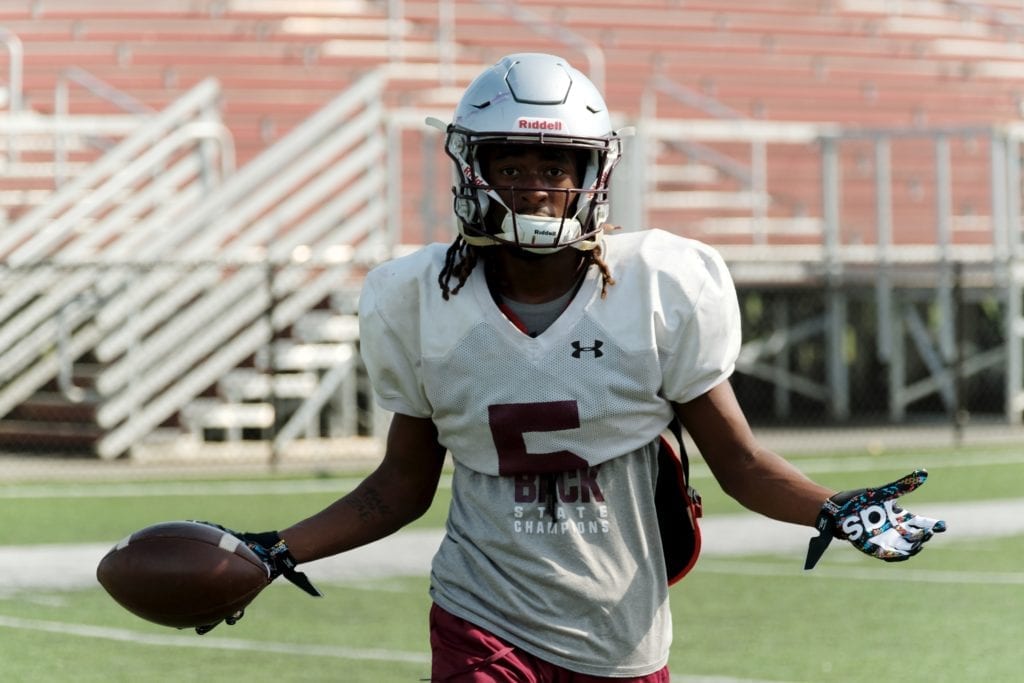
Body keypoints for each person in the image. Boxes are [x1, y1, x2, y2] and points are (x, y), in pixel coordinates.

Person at [204, 53, 946, 680]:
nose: (532, 183)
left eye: (553, 163)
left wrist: (834, 506)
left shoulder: (659, 286)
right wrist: (276, 550)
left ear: (589, 172)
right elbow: (399, 487)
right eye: (511, 162)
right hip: (480, 612)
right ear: (474, 169)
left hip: (620, 632)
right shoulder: (418, 299)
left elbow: (741, 462)